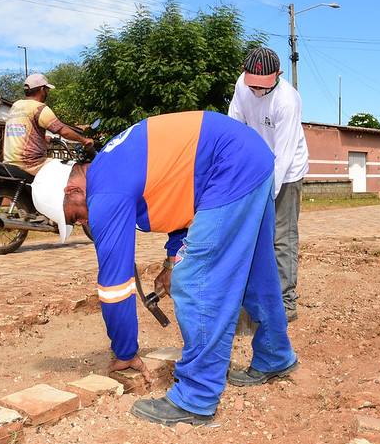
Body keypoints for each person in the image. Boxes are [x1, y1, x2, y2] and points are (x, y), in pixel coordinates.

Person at [31, 111, 298, 427]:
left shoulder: (104, 193)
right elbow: (181, 194)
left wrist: (126, 351)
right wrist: (171, 260)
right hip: (250, 157)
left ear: (71, 192)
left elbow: (115, 287)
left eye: (74, 217)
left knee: (195, 280)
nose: (83, 223)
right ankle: (274, 355)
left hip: (231, 165)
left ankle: (196, 397)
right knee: (258, 271)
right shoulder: (112, 165)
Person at [228, 47, 308, 323]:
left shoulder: (287, 102)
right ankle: (249, 298)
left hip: (287, 173)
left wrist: (264, 196)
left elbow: (283, 157)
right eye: (253, 85)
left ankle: (286, 304)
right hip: (255, 166)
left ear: (279, 75)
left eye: (263, 86)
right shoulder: (242, 86)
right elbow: (235, 127)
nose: (257, 92)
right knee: (247, 235)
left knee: (281, 238)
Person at [3, 73, 93, 175]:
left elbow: (20, 131)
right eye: (46, 90)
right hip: (32, 164)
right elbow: (63, 131)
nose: (46, 92)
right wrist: (84, 140)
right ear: (42, 90)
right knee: (69, 170)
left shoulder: (16, 106)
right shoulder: (39, 108)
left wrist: (43, 137)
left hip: (10, 162)